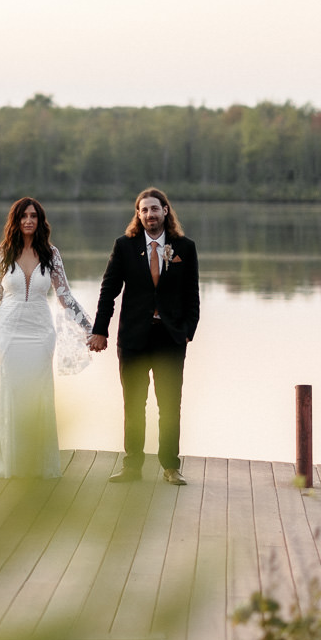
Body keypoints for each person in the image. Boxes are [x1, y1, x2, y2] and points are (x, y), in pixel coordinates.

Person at [0, 197, 94, 479]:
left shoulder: (51, 253)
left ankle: (37, 461)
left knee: (38, 394)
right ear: (15, 221)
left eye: (34, 216)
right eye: (24, 216)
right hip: (8, 331)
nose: (29, 220)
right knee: (10, 393)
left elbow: (64, 296)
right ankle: (11, 461)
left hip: (41, 332)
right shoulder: (3, 252)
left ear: (40, 221)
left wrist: (91, 328)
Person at [87, 187, 199, 485]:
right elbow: (108, 291)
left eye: (155, 208)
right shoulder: (125, 246)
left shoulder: (184, 248)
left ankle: (170, 466)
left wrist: (188, 330)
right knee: (134, 405)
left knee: (169, 406)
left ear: (165, 211)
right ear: (138, 215)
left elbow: (192, 294)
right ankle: (132, 465)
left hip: (170, 339)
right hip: (133, 340)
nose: (150, 214)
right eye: (144, 210)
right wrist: (100, 330)